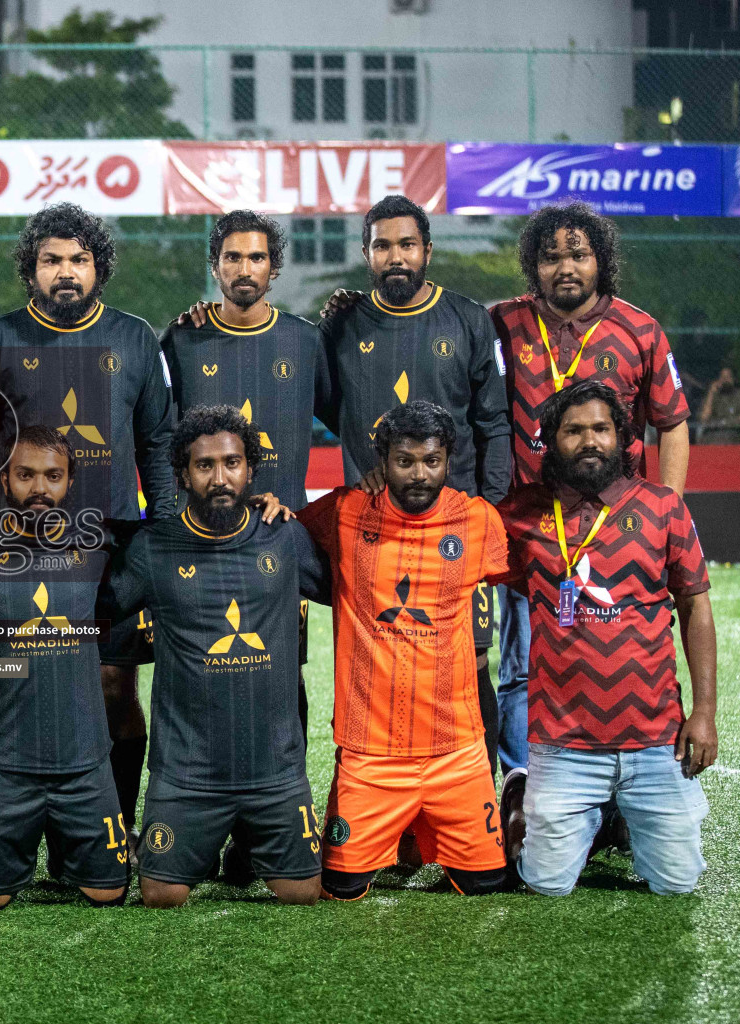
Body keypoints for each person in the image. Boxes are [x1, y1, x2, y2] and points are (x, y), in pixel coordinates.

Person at [0, 202, 176, 850]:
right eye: (51, 260)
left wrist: (162, 541)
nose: (65, 272)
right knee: (25, 685)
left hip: (113, 548)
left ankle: (116, 827)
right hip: (20, 549)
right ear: (31, 270)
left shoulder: (136, 338)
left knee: (113, 686)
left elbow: (159, 445)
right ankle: (25, 827)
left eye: (78, 260)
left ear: (98, 268)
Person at [490, 201, 692, 823]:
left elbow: (673, 425)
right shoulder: (500, 324)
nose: (566, 267)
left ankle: (629, 797)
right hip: (531, 529)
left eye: (578, 254)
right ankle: (529, 789)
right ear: (533, 264)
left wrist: (668, 520)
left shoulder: (640, 329)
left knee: (632, 655)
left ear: (601, 259)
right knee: (525, 664)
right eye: (551, 256)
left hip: (621, 532)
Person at [492, 381, 715, 895]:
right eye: (573, 430)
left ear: (623, 438)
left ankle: (618, 819)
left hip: (657, 741)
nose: (589, 440)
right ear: (550, 440)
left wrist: (703, 711)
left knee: (679, 884)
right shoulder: (521, 515)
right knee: (546, 885)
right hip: (563, 745)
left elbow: (696, 606)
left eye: (600, 428)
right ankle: (525, 788)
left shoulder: (663, 508)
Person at [164, 210, 335, 881]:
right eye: (231, 258)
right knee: (196, 676)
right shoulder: (183, 338)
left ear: (274, 267)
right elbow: (159, 435)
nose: (244, 270)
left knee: (278, 680)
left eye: (256, 258)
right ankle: (201, 821)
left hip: (272, 542)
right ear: (215, 265)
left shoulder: (304, 339)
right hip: (198, 542)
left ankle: (269, 827)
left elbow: (346, 414)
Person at [104, 406, 328, 907]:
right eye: (205, 466)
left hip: (274, 770)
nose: (220, 477)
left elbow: (349, 584)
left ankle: (246, 847)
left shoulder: (284, 535)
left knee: (302, 893)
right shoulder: (152, 548)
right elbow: (95, 611)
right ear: (183, 475)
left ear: (251, 470)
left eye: (232, 463)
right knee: (161, 895)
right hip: (187, 772)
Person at [322, 194, 511, 772]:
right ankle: (398, 820)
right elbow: (333, 410)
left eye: (407, 245)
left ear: (427, 250)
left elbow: (493, 423)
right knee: (382, 670)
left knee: (470, 666)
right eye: (383, 246)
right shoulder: (343, 325)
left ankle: (481, 795)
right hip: (376, 536)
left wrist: (487, 509)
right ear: (366, 254)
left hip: (455, 533)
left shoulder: (468, 319)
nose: (395, 257)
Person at [299, 401, 510, 899]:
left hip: (457, 751)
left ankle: (423, 836)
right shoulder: (346, 510)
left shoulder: (478, 521)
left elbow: (529, 570)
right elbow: (283, 536)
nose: (419, 474)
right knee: (339, 887)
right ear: (382, 460)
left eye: (431, 461)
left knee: (489, 885)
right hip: (372, 755)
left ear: (449, 460)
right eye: (405, 461)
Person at [0, 426, 129, 908]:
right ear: (3, 479)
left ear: (69, 482)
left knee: (108, 893)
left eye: (52, 476)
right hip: (4, 763)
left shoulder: (101, 545)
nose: (39, 489)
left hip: (83, 761)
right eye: (25, 475)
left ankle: (73, 847)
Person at [698, 367, 740, 443]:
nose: (725, 380)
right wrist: (711, 393)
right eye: (723, 377)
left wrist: (727, 422)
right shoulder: (713, 396)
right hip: (713, 434)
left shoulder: (738, 396)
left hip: (733, 434)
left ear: (733, 379)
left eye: (728, 377)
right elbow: (704, 418)